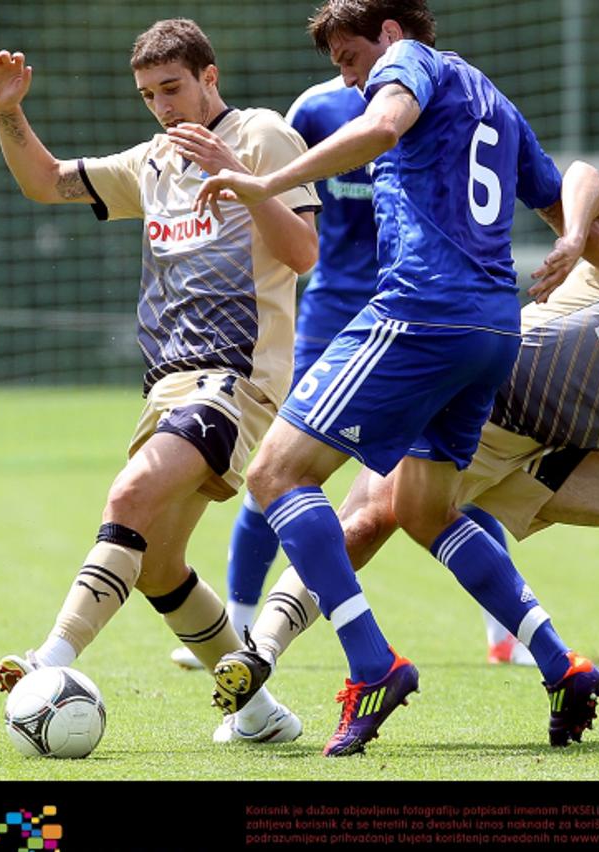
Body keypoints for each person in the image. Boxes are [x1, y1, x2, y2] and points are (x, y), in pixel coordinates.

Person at [196, 0, 599, 756]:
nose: (353, 81)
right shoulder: (490, 96)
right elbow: (571, 208)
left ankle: (372, 665)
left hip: (420, 312)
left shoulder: (410, 65)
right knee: (424, 511)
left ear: (390, 35)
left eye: (352, 61)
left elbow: (383, 125)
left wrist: (265, 184)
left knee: (274, 474)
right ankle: (562, 665)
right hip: (493, 328)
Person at [244, 177, 599, 742]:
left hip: (544, 455)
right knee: (365, 523)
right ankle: (260, 651)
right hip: (470, 410)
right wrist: (572, 240)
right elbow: (584, 178)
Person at [0, 18, 321, 744]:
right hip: (165, 386)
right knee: (159, 564)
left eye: (173, 88)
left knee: (129, 495)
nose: (163, 106)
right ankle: (259, 712)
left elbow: (303, 254)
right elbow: (44, 182)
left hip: (237, 378)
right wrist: (8, 109)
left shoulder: (264, 136)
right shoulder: (154, 161)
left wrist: (242, 177)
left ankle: (50, 658)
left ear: (210, 77)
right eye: (148, 94)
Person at [168, 75, 530, 673]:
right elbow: (276, 197)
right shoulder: (314, 107)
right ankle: (232, 628)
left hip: (417, 314)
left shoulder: (435, 98)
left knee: (455, 467)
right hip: (334, 308)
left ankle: (503, 634)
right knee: (280, 465)